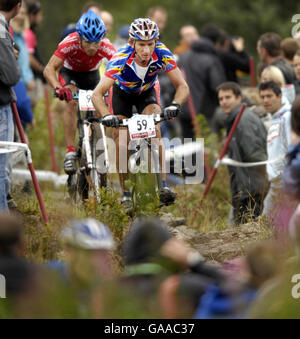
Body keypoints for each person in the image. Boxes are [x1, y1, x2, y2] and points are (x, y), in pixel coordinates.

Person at [92, 18, 189, 210]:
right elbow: (97, 94)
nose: (146, 50)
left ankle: (163, 186)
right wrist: (106, 116)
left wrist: (175, 104)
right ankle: (126, 194)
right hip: (122, 95)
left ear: (156, 42)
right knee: (121, 140)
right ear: (132, 43)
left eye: (150, 44)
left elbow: (183, 86)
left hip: (147, 93)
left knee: (156, 130)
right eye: (141, 44)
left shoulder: (162, 53)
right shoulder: (120, 57)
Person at [43, 10, 116, 175]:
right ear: (80, 38)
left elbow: (120, 70)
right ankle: (70, 151)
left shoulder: (106, 45)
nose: (92, 47)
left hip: (92, 75)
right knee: (72, 100)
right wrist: (57, 87)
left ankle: (99, 144)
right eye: (88, 42)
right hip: (71, 75)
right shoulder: (70, 42)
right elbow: (49, 69)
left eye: (96, 43)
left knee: (100, 104)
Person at [217, 82, 268, 224]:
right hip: (244, 187)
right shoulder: (234, 118)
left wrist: (256, 184)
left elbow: (255, 154)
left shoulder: (243, 119)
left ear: (239, 98)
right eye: (221, 99)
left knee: (248, 235)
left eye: (228, 97)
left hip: (252, 189)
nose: (224, 102)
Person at [178, 33, 226, 133]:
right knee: (205, 145)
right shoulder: (211, 60)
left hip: (183, 109)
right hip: (204, 113)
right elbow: (218, 86)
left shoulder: (182, 57)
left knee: (188, 145)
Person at [259, 81, 292, 222]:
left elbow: (292, 149)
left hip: (284, 181)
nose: (265, 100)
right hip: (276, 181)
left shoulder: (287, 117)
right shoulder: (275, 118)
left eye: (269, 96)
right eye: (262, 97)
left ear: (279, 96)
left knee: (265, 223)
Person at [0, 0, 21, 211]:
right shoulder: (1, 28)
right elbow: (11, 75)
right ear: (18, 5)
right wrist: (11, 61)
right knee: (1, 163)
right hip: (1, 102)